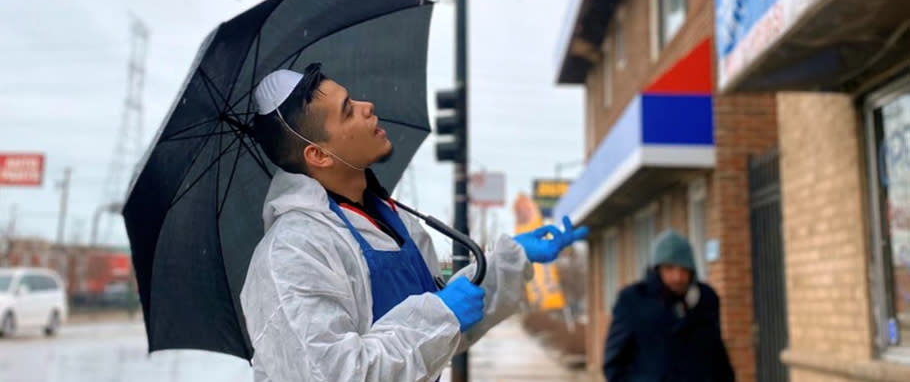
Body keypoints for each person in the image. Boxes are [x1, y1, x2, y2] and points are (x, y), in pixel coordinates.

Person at [240, 64, 588, 382]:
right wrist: (441, 315)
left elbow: (444, 333)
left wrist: (512, 260)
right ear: (318, 154)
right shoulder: (291, 252)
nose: (367, 107)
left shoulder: (393, 220)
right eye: (348, 111)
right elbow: (334, 374)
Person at [602, 229, 735, 382]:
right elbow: (614, 363)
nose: (677, 277)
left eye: (684, 269)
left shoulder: (705, 299)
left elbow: (718, 356)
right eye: (669, 268)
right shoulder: (632, 300)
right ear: (657, 269)